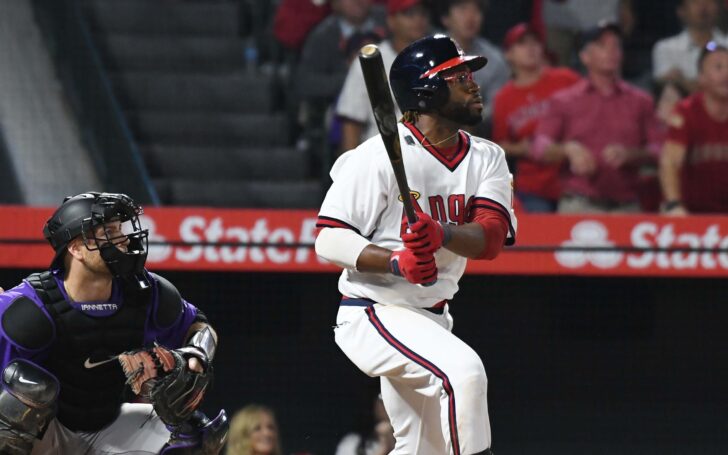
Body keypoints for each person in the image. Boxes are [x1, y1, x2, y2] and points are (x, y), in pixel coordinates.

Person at [316, 34, 517, 455]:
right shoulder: (375, 156)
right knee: (464, 375)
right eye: (458, 77)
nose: (474, 84)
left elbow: (492, 237)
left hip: (432, 317)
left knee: (423, 448)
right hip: (374, 310)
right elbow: (329, 239)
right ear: (427, 92)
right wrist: (395, 261)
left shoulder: (487, 158)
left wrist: (441, 233)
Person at [0, 192, 228, 454]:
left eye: (120, 230)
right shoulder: (28, 305)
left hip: (106, 424)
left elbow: (199, 325)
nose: (122, 240)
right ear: (75, 248)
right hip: (44, 432)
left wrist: (197, 353)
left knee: (196, 437)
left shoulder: (145, 291)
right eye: (108, 231)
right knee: (26, 392)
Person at [531, 22, 662, 213]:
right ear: (585, 57)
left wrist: (632, 155)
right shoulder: (565, 100)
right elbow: (539, 146)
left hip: (627, 207)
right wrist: (568, 149)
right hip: (579, 204)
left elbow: (659, 149)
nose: (611, 51)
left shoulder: (641, 101)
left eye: (616, 46)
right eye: (602, 46)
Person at [492, 22, 580, 212]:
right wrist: (522, 148)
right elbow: (500, 145)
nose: (531, 48)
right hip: (534, 186)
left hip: (575, 179)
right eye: (522, 43)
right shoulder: (503, 98)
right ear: (509, 54)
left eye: (535, 42)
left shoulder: (566, 79)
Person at [336, 0, 430, 152]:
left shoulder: (440, 59)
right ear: (391, 21)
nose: (417, 20)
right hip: (384, 157)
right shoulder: (371, 61)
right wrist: (352, 172)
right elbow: (352, 123)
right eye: (409, 14)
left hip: (433, 160)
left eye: (422, 13)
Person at [659, 42, 728, 214]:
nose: (726, 74)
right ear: (701, 78)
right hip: (693, 214)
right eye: (718, 67)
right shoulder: (686, 111)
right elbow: (670, 162)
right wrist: (674, 204)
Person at [439, 0, 510, 122]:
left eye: (477, 9)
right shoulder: (430, 53)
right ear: (445, 18)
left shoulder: (494, 60)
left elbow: (496, 108)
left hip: (479, 131)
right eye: (462, 8)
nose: (470, 16)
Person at [652, 0, 728, 95]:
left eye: (709, 2)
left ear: (718, 7)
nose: (703, 8)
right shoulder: (665, 48)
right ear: (681, 11)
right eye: (695, 2)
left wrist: (681, 81)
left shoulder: (726, 44)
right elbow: (664, 87)